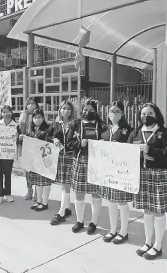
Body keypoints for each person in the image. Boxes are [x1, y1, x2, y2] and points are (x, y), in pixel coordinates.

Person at [128, 103, 167, 260]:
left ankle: (158, 245)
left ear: (156, 115)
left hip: (158, 174)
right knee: (147, 210)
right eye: (143, 114)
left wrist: (150, 151)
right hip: (142, 174)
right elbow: (128, 151)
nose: (146, 116)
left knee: (158, 210)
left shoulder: (163, 133)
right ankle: (147, 242)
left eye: (150, 113)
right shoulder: (136, 132)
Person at [67, 98, 104, 234]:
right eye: (85, 110)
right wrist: (79, 144)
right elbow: (69, 143)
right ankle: (80, 221)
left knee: (96, 192)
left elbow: (107, 142)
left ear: (95, 111)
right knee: (79, 192)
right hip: (80, 160)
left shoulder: (101, 125)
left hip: (96, 162)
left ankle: (93, 222)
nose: (87, 112)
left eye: (90, 110)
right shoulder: (75, 124)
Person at [101, 101, 133, 244]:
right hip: (108, 170)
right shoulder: (105, 128)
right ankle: (113, 230)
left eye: (117, 111)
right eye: (111, 111)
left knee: (121, 201)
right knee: (111, 201)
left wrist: (120, 147)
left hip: (121, 170)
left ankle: (124, 231)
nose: (113, 114)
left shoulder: (128, 130)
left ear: (122, 113)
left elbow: (132, 148)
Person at [46, 100, 75, 225]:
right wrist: (54, 138)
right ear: (60, 110)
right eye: (63, 108)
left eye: (68, 108)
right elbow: (47, 136)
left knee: (66, 184)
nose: (66, 110)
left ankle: (62, 212)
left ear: (71, 111)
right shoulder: (56, 124)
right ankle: (67, 208)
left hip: (71, 156)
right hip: (59, 157)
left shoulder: (75, 124)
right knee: (64, 183)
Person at [20, 108, 51, 211]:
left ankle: (45, 202)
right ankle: (39, 201)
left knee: (45, 180)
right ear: (32, 119)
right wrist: (23, 137)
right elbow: (28, 141)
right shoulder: (31, 130)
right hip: (35, 160)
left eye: (39, 117)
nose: (37, 120)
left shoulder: (48, 129)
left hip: (45, 158)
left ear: (43, 118)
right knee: (38, 181)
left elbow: (50, 142)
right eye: (35, 117)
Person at [0, 105, 17, 204]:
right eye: (4, 112)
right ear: (1, 114)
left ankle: (8, 194)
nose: (6, 113)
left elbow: (17, 138)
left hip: (8, 154)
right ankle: (0, 195)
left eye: (8, 111)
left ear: (11, 113)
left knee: (7, 174)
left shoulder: (15, 125)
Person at [19, 97, 39, 201]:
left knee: (36, 168)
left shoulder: (38, 114)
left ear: (36, 105)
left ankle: (37, 191)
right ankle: (29, 189)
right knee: (28, 169)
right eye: (29, 103)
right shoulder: (24, 115)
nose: (31, 105)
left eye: (33, 103)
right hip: (26, 144)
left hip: (36, 145)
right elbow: (21, 130)